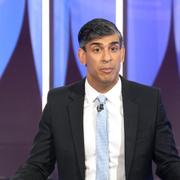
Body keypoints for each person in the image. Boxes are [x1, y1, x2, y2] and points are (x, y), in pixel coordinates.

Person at [11, 18, 180, 180]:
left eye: (113, 49)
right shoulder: (59, 102)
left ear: (122, 53)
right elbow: (38, 166)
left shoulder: (148, 101)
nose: (107, 58)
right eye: (97, 50)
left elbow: (168, 164)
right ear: (82, 55)